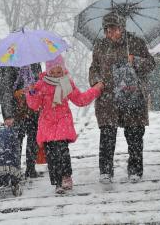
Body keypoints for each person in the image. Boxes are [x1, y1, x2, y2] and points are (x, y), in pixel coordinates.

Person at [89, 12, 155, 184]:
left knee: (134, 134)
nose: (109, 33)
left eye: (113, 29)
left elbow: (151, 64)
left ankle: (135, 169)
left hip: (132, 95)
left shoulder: (136, 42)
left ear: (121, 27)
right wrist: (96, 82)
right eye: (106, 30)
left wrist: (136, 61)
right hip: (107, 98)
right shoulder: (100, 46)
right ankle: (105, 170)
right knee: (107, 134)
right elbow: (93, 68)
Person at [26, 55, 104, 194]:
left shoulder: (66, 82)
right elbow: (34, 105)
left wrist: (95, 90)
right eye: (53, 72)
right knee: (51, 155)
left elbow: (80, 100)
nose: (56, 75)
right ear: (48, 71)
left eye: (59, 72)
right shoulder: (41, 84)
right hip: (47, 124)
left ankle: (66, 177)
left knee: (62, 152)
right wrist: (31, 92)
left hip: (63, 121)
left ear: (63, 70)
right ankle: (57, 182)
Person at [0, 64, 41, 178]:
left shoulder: (34, 60)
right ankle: (15, 170)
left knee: (33, 138)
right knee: (16, 140)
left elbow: (40, 82)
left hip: (33, 108)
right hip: (16, 110)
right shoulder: (8, 63)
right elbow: (5, 89)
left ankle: (31, 168)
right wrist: (8, 115)